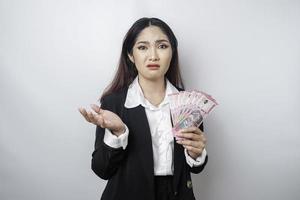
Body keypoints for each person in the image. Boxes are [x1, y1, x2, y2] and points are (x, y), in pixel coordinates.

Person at [78, 17, 208, 200]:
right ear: (130, 55)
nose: (153, 56)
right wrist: (118, 133)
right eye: (142, 47)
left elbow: (197, 168)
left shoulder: (188, 102)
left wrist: (196, 153)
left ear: (173, 52)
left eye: (162, 46)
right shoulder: (113, 103)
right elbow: (101, 170)